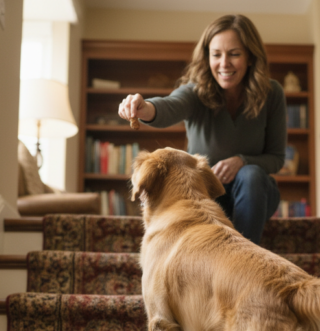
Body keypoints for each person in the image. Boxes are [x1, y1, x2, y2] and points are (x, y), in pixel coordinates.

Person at [118, 14, 286, 245]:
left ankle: (245, 255)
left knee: (251, 175)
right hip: (207, 197)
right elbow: (170, 105)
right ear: (207, 57)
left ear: (250, 57)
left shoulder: (272, 93)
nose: (224, 63)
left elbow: (276, 158)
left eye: (234, 54)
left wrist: (242, 161)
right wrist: (144, 108)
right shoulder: (195, 92)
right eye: (216, 54)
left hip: (256, 195)